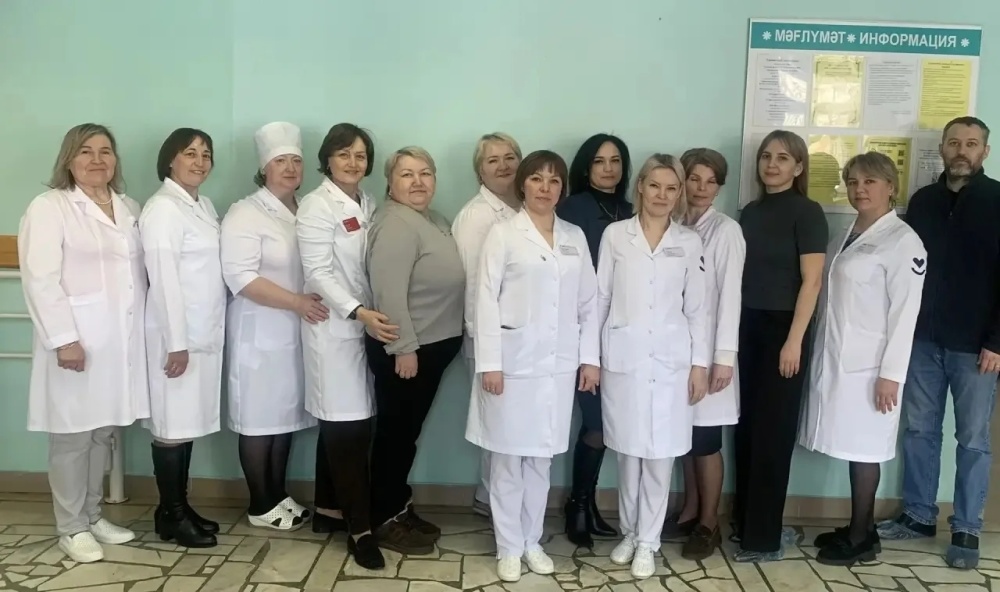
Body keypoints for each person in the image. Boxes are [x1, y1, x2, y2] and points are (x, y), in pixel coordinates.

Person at [466, 150, 600, 582]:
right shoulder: (503, 234)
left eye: (554, 180)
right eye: (537, 179)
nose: (545, 188)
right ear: (523, 184)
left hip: (557, 367)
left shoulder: (574, 236)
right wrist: (490, 363)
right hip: (511, 364)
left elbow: (589, 303)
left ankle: (531, 540)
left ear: (562, 188)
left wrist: (590, 359)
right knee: (507, 459)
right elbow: (484, 300)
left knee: (541, 459)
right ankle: (508, 546)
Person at [18, 123, 148, 563]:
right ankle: (71, 527)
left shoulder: (128, 207)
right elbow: (40, 280)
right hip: (76, 343)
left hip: (119, 344)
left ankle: (92, 516)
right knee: (72, 437)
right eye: (86, 151)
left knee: (103, 432)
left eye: (105, 151)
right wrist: (64, 340)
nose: (97, 160)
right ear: (68, 160)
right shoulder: (50, 207)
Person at [877, 116, 1000, 570]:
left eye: (971, 143)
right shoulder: (923, 201)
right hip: (923, 340)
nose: (961, 151)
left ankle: (966, 527)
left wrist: (997, 341)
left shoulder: (997, 199)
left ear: (985, 151)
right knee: (919, 430)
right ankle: (918, 515)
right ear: (943, 149)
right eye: (954, 143)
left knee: (973, 440)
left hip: (977, 348)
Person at [801, 151, 926, 566]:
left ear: (891, 187)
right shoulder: (846, 233)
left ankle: (860, 538)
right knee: (855, 444)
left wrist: (891, 375)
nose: (860, 189)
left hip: (873, 367)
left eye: (870, 181)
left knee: (867, 448)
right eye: (853, 182)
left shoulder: (903, 241)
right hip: (839, 356)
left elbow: (905, 314)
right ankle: (862, 527)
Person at [597, 154, 708, 578]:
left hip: (671, 364)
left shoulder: (688, 242)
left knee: (660, 456)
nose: (662, 195)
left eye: (671, 188)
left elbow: (698, 309)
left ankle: (648, 541)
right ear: (640, 186)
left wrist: (699, 365)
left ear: (679, 194)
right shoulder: (615, 236)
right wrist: (592, 358)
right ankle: (629, 532)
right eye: (655, 185)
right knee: (628, 453)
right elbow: (600, 300)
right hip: (624, 359)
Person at [297, 123, 397, 569]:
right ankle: (360, 530)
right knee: (348, 430)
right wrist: (357, 311)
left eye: (360, 155)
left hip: (365, 327)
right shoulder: (316, 206)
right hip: (336, 331)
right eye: (344, 154)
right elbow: (317, 272)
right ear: (328, 159)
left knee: (348, 426)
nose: (353, 162)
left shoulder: (368, 202)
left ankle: (328, 510)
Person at [733, 130, 828, 562]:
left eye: (783, 158)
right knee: (747, 430)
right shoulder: (750, 212)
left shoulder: (807, 212)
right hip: (746, 327)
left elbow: (813, 281)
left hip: (784, 330)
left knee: (772, 435)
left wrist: (793, 341)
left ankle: (764, 539)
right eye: (766, 156)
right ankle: (745, 524)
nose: (772, 164)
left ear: (798, 167)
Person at [221, 122, 321, 531]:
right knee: (259, 419)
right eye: (281, 161)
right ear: (264, 168)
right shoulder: (246, 212)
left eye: (296, 160)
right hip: (259, 331)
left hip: (296, 331)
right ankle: (260, 503)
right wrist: (297, 302)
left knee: (284, 418)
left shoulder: (307, 209)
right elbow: (240, 276)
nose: (290, 168)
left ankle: (278, 495)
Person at [366, 146, 465, 554]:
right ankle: (382, 518)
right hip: (408, 352)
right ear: (390, 183)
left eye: (425, 173)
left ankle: (398, 506)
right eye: (407, 174)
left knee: (407, 436)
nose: (418, 182)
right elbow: (388, 293)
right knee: (395, 437)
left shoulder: (433, 219)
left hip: (432, 348)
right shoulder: (394, 224)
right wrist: (403, 348)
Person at [140, 128, 227, 549]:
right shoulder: (162, 209)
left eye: (205, 154)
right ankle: (173, 514)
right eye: (189, 153)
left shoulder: (201, 205)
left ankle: (175, 509)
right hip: (175, 337)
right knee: (171, 424)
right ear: (170, 160)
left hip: (201, 331)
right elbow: (163, 279)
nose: (199, 161)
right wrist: (176, 342)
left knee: (185, 422)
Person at [664, 148, 745, 561]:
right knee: (686, 436)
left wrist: (723, 359)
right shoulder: (673, 225)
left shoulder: (726, 231)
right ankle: (690, 509)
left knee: (707, 440)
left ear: (719, 187)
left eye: (711, 181)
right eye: (694, 179)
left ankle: (709, 523)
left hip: (712, 352)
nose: (701, 188)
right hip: (679, 351)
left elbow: (730, 297)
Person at [556, 133, 632, 547]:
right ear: (586, 168)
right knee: (596, 423)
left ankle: (588, 503)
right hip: (584, 330)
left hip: (622, 332)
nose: (608, 168)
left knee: (609, 422)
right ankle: (578, 506)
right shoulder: (572, 208)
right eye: (600, 161)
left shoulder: (631, 210)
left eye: (615, 160)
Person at [452, 132, 523, 518]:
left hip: (520, 339)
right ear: (479, 171)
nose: (503, 166)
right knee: (495, 423)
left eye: (510, 157)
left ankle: (493, 497)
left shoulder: (525, 209)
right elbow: (472, 286)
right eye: (493, 160)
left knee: (510, 423)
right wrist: (484, 348)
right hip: (486, 340)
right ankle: (494, 502)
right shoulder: (476, 216)